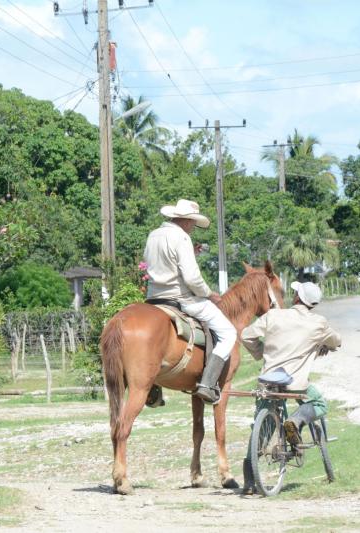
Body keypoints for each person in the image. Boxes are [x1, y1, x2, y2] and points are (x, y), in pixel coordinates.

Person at [240, 281, 341, 494]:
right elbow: (337, 341)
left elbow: (246, 335)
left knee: (260, 425)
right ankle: (295, 420)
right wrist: (324, 345)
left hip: (269, 381)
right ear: (312, 304)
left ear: (296, 298)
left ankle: (250, 480)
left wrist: (259, 352)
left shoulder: (274, 315)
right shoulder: (318, 322)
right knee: (318, 402)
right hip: (296, 384)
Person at [143, 199, 238, 404]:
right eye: (193, 223)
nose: (193, 228)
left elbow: (159, 262)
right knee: (229, 333)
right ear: (186, 221)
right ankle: (207, 384)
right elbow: (192, 279)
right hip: (181, 299)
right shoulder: (182, 238)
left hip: (153, 298)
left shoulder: (153, 235)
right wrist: (208, 294)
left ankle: (152, 388)